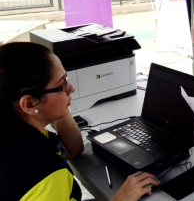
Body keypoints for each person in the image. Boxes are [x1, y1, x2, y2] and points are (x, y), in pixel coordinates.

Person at [0, 42, 160, 201]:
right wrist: (121, 198)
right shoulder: (44, 172)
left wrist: (60, 104)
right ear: (29, 104)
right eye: (61, 84)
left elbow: (71, 149)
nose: (71, 88)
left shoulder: (17, 130)